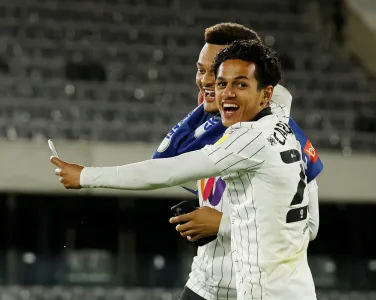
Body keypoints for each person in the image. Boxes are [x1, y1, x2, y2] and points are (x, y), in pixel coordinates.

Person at [51, 39, 317, 299]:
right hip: (262, 286)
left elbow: (167, 171)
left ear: (265, 93)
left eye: (240, 84)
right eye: (218, 81)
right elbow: (281, 95)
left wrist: (85, 176)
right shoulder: (280, 119)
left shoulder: (248, 139)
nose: (224, 90)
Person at [153, 23, 321, 299]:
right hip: (202, 287)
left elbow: (308, 226)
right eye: (202, 70)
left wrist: (222, 223)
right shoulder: (208, 131)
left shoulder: (285, 137)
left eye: (217, 71)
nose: (206, 79)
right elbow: (161, 162)